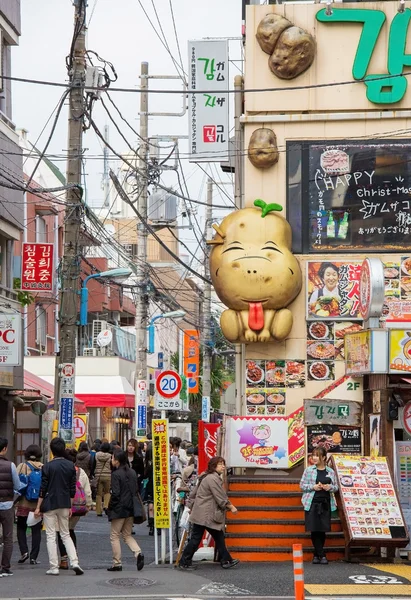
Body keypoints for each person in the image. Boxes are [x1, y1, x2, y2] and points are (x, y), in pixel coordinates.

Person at [179, 456, 239, 571]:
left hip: (202, 513)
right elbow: (220, 496)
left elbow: (194, 493)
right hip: (206, 514)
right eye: (220, 464)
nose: (223, 466)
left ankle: (226, 560)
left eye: (223, 464)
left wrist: (191, 505)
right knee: (199, 539)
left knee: (214, 537)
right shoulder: (212, 478)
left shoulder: (206, 476)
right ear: (214, 466)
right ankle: (185, 561)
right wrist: (231, 506)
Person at [34, 437, 84, 576]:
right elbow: (72, 489)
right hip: (64, 503)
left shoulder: (47, 466)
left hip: (50, 503)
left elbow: (43, 489)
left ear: (52, 450)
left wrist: (38, 507)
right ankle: (74, 562)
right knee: (65, 534)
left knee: (50, 535)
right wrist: (70, 505)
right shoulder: (70, 466)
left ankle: (54, 566)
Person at [106, 450, 144, 572]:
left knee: (114, 535)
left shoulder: (116, 474)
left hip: (119, 508)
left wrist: (109, 507)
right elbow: (136, 490)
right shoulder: (132, 472)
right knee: (127, 535)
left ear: (117, 460)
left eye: (112, 458)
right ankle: (138, 553)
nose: (111, 460)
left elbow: (115, 494)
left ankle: (117, 563)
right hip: (131, 507)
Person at [300, 446, 338, 565]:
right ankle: (322, 555)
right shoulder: (309, 470)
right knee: (314, 529)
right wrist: (313, 487)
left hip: (326, 503)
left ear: (323, 457)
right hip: (312, 503)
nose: (314, 458)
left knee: (322, 530)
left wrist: (329, 487)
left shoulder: (330, 472)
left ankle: (316, 555)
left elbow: (336, 487)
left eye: (317, 455)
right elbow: (302, 485)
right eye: (313, 455)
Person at [58, 449, 92, 570]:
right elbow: (87, 490)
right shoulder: (80, 472)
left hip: (63, 505)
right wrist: (88, 505)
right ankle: (74, 556)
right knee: (70, 530)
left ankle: (64, 560)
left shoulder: (61, 470)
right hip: (77, 507)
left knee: (62, 532)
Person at [0, 437, 25, 576]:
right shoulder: (11, 466)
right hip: (7, 505)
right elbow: (17, 485)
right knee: (8, 537)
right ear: (4, 449)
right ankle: (5, 567)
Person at [16, 444, 43, 565]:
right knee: (36, 530)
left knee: (21, 527)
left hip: (23, 502)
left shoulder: (22, 466)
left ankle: (24, 552)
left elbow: (16, 483)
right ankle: (33, 557)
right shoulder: (43, 467)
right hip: (37, 504)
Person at [94, 441, 112, 516]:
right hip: (107, 475)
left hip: (98, 476)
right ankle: (106, 505)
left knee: (99, 494)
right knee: (107, 492)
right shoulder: (110, 456)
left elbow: (93, 465)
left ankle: (98, 511)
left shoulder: (96, 455)